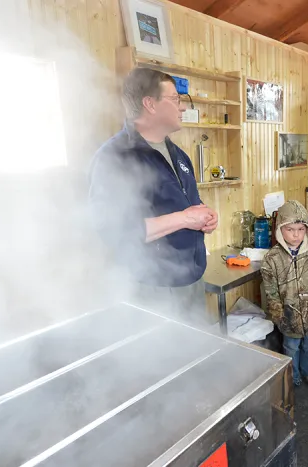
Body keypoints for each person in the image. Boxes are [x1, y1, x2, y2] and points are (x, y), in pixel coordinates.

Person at [89, 67, 218, 325]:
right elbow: (115, 231)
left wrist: (206, 216)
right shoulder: (114, 158)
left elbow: (188, 204)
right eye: (175, 99)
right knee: (162, 361)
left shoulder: (179, 155)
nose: (182, 107)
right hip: (151, 287)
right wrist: (184, 219)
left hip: (192, 279)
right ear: (150, 104)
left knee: (196, 357)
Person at [261, 200, 308, 387]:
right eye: (290, 230)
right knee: (290, 348)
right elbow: (270, 291)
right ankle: (292, 376)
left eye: (300, 229)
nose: (296, 234)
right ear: (280, 230)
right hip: (289, 317)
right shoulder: (272, 258)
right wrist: (279, 315)